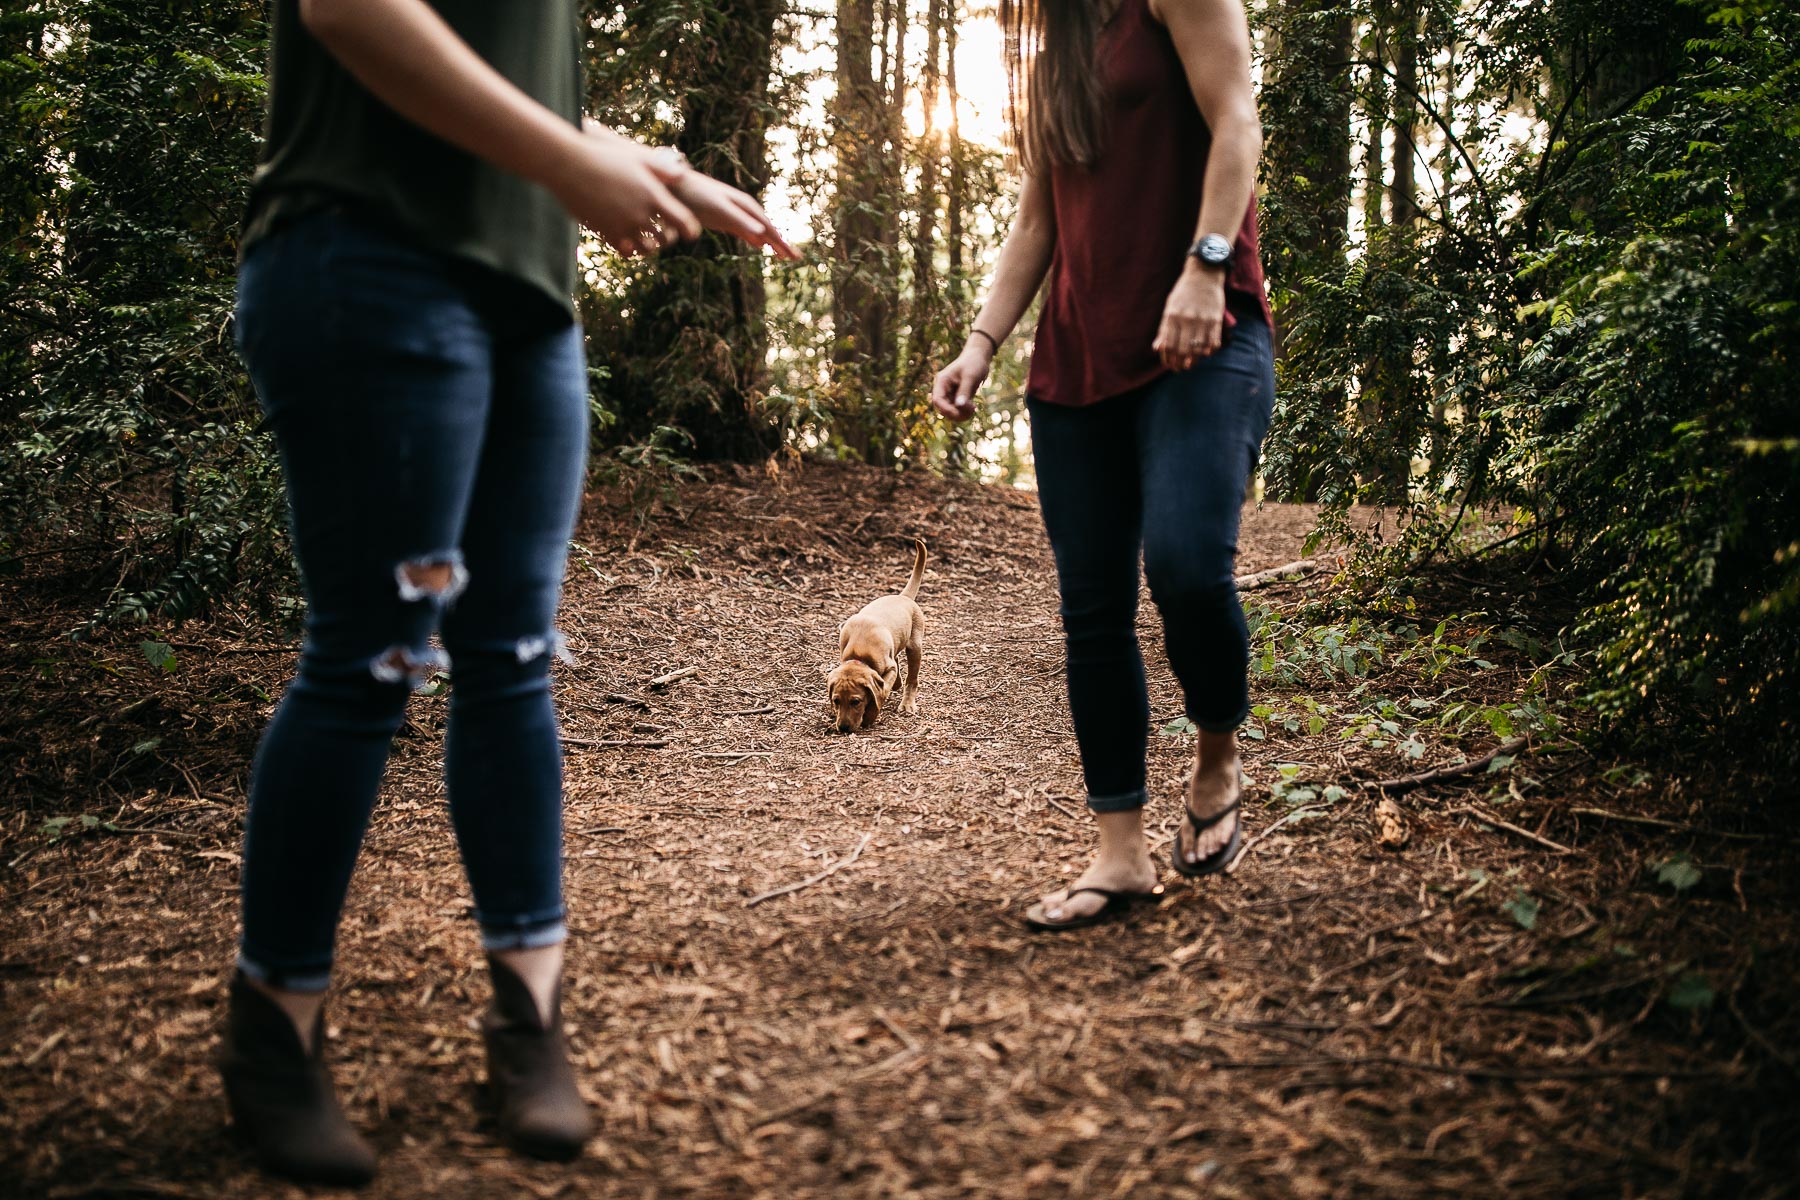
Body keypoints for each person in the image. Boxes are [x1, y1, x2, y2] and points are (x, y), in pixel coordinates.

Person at [221, 0, 796, 1184]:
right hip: (367, 252)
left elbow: (498, 71)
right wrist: (573, 160)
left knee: (513, 661)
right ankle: (274, 1030)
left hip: (525, 293)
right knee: (369, 659)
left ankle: (527, 1024)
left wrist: (633, 160)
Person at [931, 0, 1274, 930]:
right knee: (1093, 608)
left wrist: (1206, 268)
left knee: (1188, 567)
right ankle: (1119, 852)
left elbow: (1238, 117)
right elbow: (1037, 219)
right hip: (1077, 362)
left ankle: (1216, 753)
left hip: (1202, 336)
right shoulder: (1057, 44)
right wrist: (980, 342)